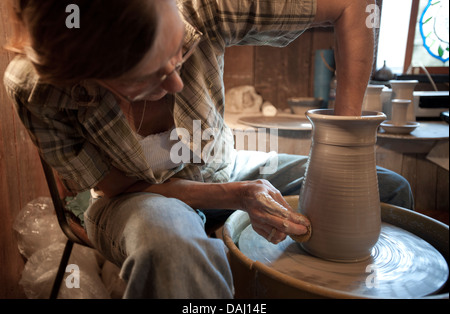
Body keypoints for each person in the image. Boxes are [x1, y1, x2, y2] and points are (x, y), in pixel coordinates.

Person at [4, 0, 413, 298]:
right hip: (133, 195)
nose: (176, 84)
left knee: (387, 191)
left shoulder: (204, 9)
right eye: (147, 78)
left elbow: (354, 8)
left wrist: (343, 140)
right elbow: (117, 187)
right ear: (89, 78)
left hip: (223, 165)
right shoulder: (39, 91)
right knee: (172, 249)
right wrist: (234, 197)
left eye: (179, 51)